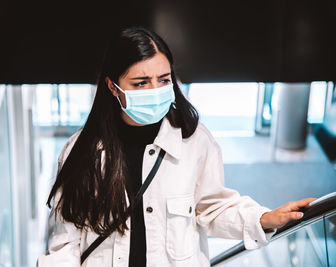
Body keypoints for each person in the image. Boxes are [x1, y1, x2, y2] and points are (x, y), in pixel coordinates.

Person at [37, 26, 315, 267]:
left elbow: (212, 207)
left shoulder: (194, 140)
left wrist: (264, 218)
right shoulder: (81, 151)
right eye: (141, 82)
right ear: (112, 87)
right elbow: (66, 241)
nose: (155, 90)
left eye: (164, 79)